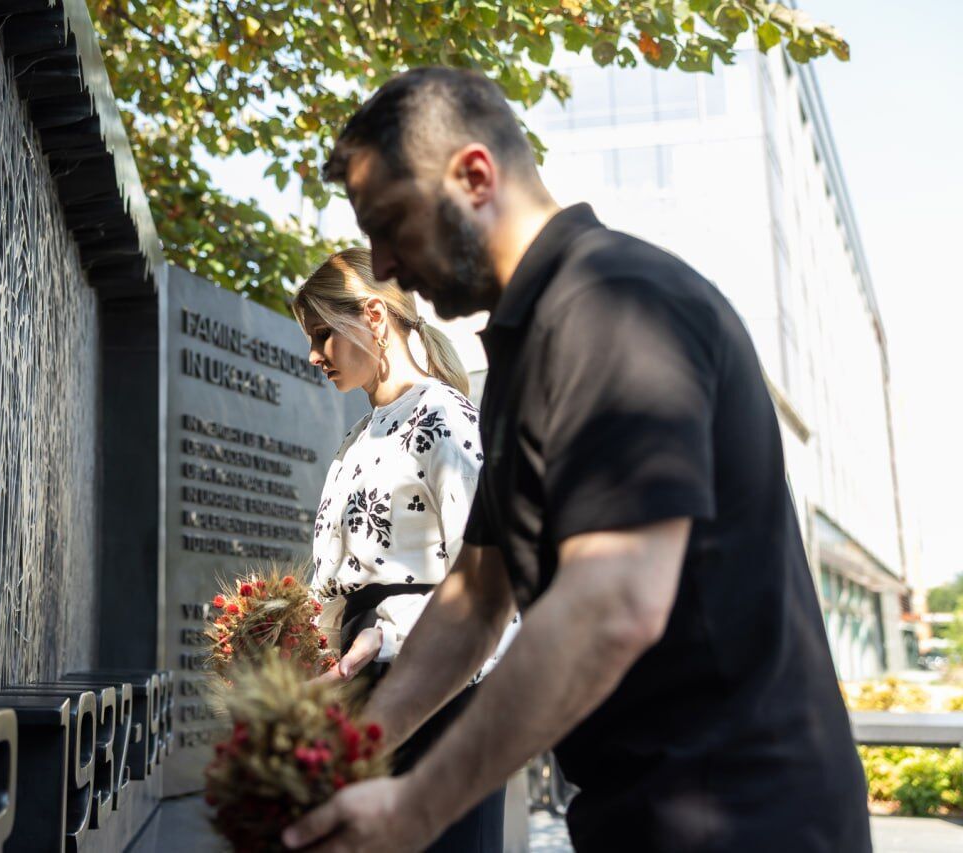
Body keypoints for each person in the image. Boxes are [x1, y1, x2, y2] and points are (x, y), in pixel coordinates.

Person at [283, 67, 871, 853]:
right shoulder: (524, 356)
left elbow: (611, 602)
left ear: (474, 176)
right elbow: (474, 600)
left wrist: (418, 805)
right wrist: (349, 758)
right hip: (632, 817)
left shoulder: (615, 306)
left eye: (390, 223)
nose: (383, 265)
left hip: (746, 822)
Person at [293, 247, 518, 851]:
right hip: (363, 692)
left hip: (444, 693)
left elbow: (499, 591)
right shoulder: (354, 441)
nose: (314, 355)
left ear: (372, 316)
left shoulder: (446, 418)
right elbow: (334, 581)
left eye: (321, 333)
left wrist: (387, 634)